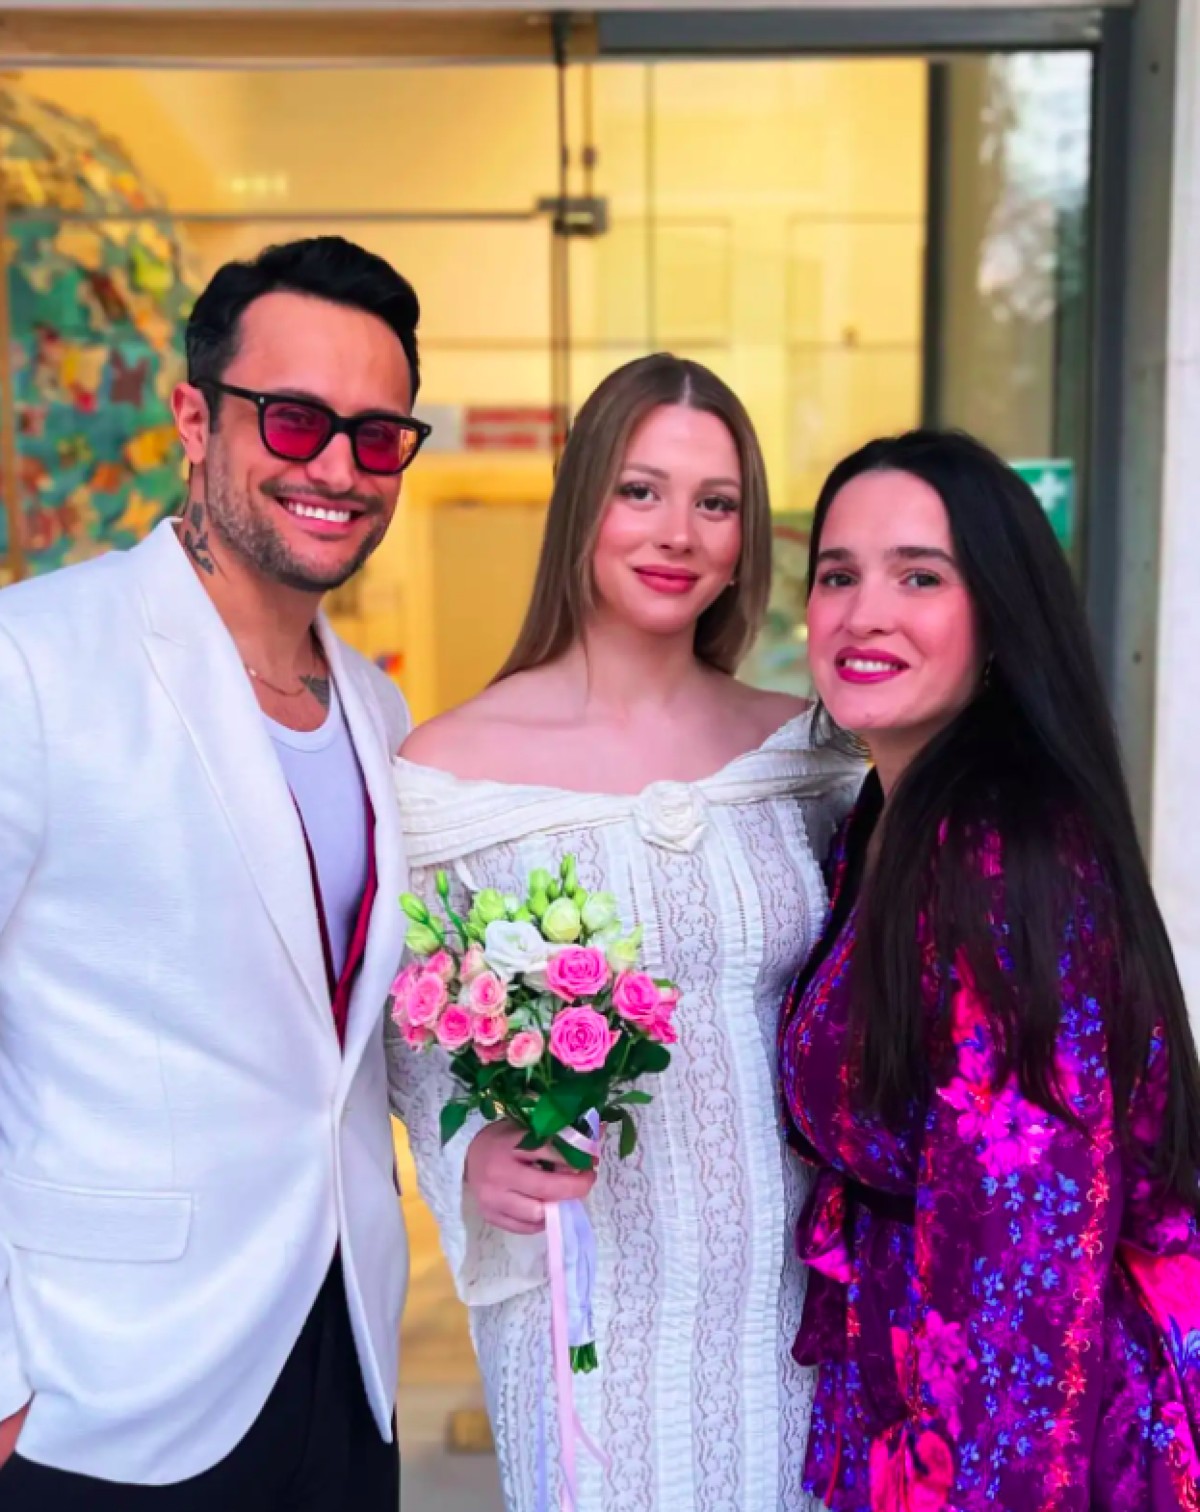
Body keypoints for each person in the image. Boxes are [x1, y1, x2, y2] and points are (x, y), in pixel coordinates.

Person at [388, 352, 863, 1511]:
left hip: (796, 1299)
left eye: (717, 503)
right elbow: (406, 1030)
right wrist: (471, 1155)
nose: (678, 534)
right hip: (587, 1292)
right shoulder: (449, 775)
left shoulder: (813, 756)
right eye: (641, 491)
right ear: (584, 504)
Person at [0, 235, 428, 1508]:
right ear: (195, 419)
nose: (338, 469)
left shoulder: (380, 710)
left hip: (344, 1358)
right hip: (101, 1383)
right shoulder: (34, 658)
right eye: (293, 420)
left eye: (378, 437)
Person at [779, 428, 1200, 1509]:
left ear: (1000, 617)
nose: (865, 612)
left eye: (920, 576)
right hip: (911, 1398)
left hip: (1009, 1445)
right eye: (838, 575)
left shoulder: (998, 852)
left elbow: (1027, 1271)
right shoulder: (884, 817)